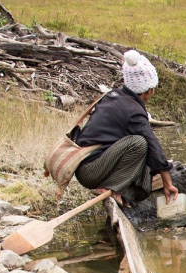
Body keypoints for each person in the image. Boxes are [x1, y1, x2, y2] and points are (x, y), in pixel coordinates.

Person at [74, 50, 179, 206]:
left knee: (141, 186)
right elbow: (152, 144)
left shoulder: (112, 95)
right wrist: (167, 182)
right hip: (91, 171)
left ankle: (123, 192)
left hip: (85, 165)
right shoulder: (133, 111)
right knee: (140, 143)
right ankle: (110, 188)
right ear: (149, 90)